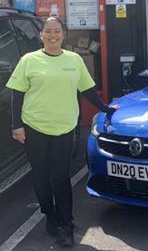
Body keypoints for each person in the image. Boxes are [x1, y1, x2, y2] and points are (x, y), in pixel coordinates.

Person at [6, 17, 117, 247]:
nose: (53, 35)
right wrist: (17, 125)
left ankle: (65, 223)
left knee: (60, 176)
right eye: (48, 31)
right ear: (41, 35)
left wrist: (106, 109)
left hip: (64, 128)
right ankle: (50, 215)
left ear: (63, 35)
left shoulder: (74, 60)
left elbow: (87, 90)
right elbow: (17, 94)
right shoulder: (29, 60)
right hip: (34, 126)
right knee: (41, 176)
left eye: (57, 31)